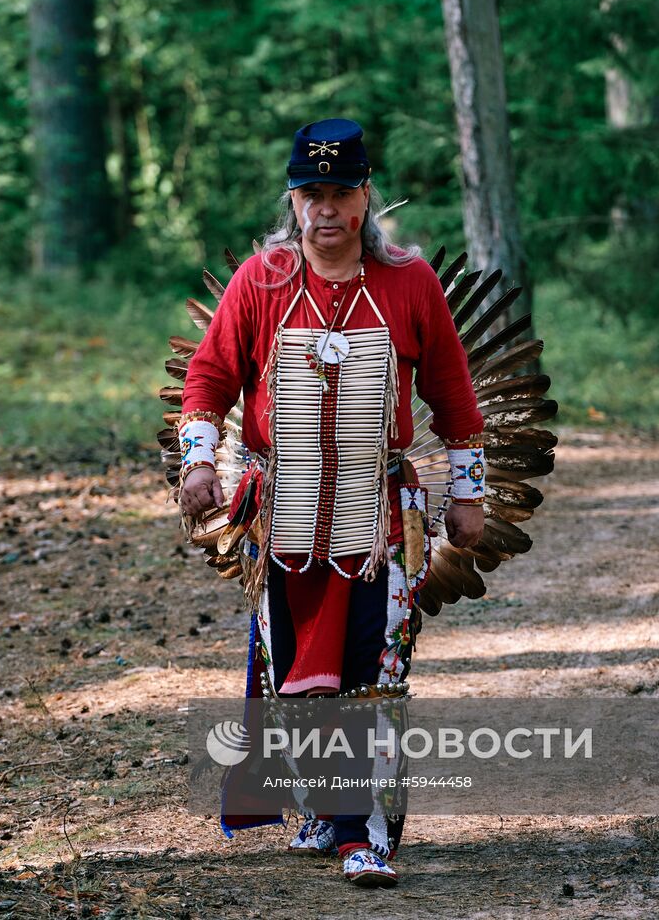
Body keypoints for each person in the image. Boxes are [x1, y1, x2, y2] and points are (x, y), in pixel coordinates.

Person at [177, 118, 486, 887]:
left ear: (365, 197)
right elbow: (209, 381)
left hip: (379, 513)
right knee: (291, 671)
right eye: (311, 193)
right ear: (292, 200)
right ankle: (319, 806)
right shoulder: (263, 280)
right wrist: (198, 464)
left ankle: (364, 833)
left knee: (368, 672)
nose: (326, 209)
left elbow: (451, 394)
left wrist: (468, 494)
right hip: (277, 507)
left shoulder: (409, 282)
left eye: (341, 192)